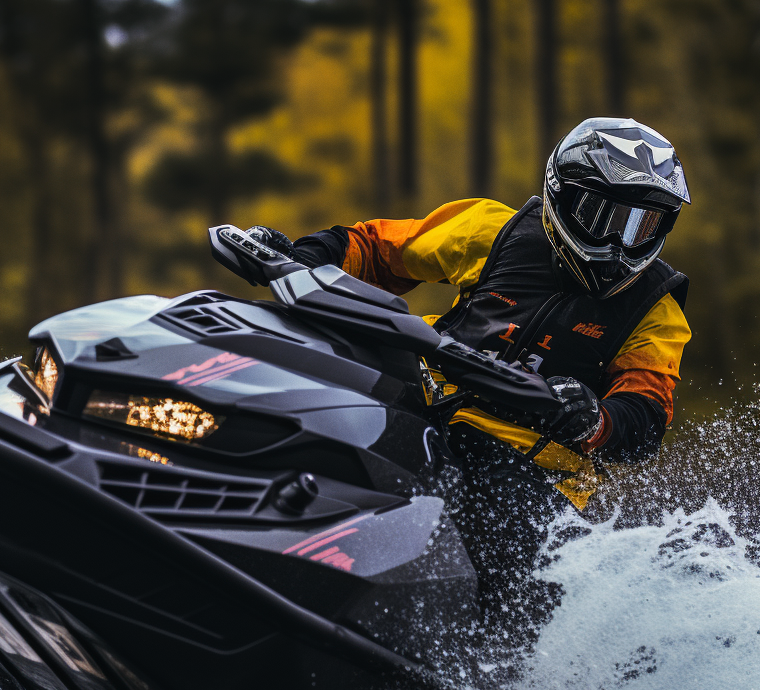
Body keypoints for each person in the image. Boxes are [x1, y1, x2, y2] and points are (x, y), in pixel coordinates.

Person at [250, 116, 691, 516]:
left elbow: (645, 415)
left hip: (531, 470)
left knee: (497, 536)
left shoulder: (656, 309)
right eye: (603, 217)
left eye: (641, 226)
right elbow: (379, 250)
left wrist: (597, 418)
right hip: (414, 400)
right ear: (563, 194)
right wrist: (298, 256)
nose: (617, 243)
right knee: (300, 414)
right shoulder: (494, 230)